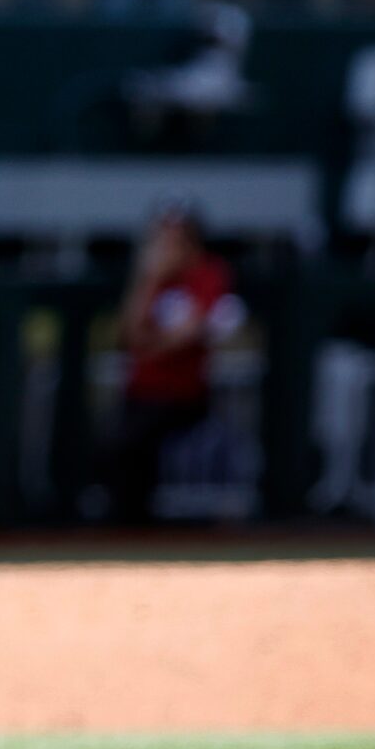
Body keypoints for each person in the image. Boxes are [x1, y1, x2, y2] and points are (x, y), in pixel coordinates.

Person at [101, 203, 244, 525]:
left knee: (132, 440)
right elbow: (127, 335)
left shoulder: (209, 273)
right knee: (113, 443)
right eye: (161, 237)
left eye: (175, 238)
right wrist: (149, 280)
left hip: (184, 395)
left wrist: (150, 346)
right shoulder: (152, 277)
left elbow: (184, 337)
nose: (166, 246)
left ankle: (139, 528)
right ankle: (124, 527)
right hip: (139, 392)